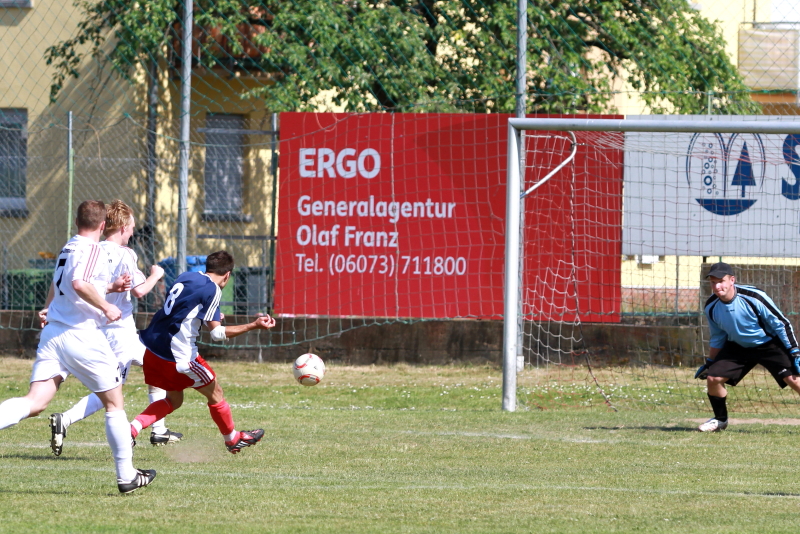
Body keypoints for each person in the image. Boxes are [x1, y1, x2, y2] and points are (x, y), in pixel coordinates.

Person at [0, 200, 156, 493]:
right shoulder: (93, 248)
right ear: (102, 225)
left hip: (54, 334)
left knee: (35, 402)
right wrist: (107, 307)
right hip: (81, 334)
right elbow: (79, 284)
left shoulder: (69, 247)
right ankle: (127, 476)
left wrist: (50, 307)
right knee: (114, 403)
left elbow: (61, 284)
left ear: (76, 222)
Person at [48, 200, 182, 457]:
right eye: (131, 227)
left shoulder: (93, 248)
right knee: (111, 390)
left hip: (102, 326)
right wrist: (156, 275)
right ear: (122, 227)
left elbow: (67, 282)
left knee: (156, 367)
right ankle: (66, 419)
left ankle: (159, 429)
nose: (132, 232)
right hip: (120, 331)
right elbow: (140, 291)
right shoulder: (126, 253)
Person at [130, 250, 276, 454]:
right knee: (216, 393)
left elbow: (183, 309)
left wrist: (209, 315)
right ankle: (233, 440)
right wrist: (253, 325)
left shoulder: (186, 276)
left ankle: (130, 430)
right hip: (179, 357)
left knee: (174, 400)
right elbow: (217, 333)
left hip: (153, 348)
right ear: (227, 275)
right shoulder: (213, 289)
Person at [695, 262, 800, 432]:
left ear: (732, 280)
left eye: (721, 281)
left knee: (795, 381)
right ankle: (720, 420)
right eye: (713, 282)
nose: (717, 286)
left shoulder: (754, 297)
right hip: (738, 346)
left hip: (769, 344)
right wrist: (710, 362)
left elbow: (781, 324)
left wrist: (794, 351)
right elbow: (718, 337)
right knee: (713, 379)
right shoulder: (711, 306)